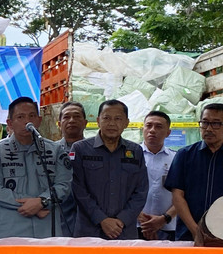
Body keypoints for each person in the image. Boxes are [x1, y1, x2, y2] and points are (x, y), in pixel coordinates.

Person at [0, 96, 71, 238]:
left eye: (31, 116)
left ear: (39, 120)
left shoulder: (55, 151)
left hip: (47, 230)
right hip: (11, 231)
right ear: (10, 123)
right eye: (20, 117)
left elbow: (64, 185)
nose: (26, 121)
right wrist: (33, 206)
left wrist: (42, 201)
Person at [70, 99, 148, 240]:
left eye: (118, 118)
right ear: (98, 121)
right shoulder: (81, 149)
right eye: (106, 118)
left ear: (126, 123)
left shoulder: (135, 151)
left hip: (123, 231)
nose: (112, 123)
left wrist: (122, 220)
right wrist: (102, 220)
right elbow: (78, 189)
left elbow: (141, 191)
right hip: (89, 231)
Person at [165, 103, 223, 241]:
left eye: (216, 124)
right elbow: (177, 196)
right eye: (204, 123)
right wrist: (196, 231)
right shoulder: (184, 155)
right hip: (188, 234)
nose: (209, 129)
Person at [138, 111, 177, 240]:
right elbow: (119, 190)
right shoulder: (129, 156)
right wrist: (139, 216)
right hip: (136, 225)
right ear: (142, 129)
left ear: (168, 132)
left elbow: (184, 195)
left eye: (159, 126)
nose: (152, 130)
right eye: (148, 126)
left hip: (168, 226)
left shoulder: (177, 158)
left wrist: (163, 219)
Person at [56, 101, 88, 236]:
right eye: (66, 117)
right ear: (59, 124)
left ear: (85, 122)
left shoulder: (95, 151)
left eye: (76, 116)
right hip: (59, 215)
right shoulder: (50, 151)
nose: (72, 121)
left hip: (89, 215)